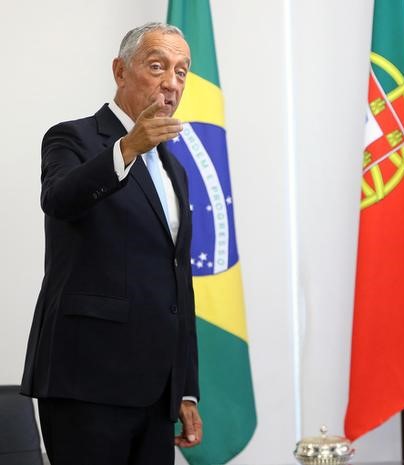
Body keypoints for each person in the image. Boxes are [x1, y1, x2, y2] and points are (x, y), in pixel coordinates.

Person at [21, 22, 202, 465]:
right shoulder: (73, 138)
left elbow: (177, 280)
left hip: (157, 391)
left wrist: (186, 388)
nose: (171, 83)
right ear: (121, 71)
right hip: (86, 381)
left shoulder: (174, 169)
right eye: (157, 66)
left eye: (181, 72)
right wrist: (126, 148)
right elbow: (59, 199)